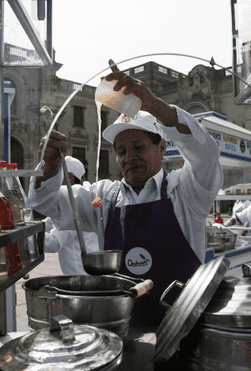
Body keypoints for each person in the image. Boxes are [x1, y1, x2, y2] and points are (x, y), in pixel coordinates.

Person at [28, 61, 223, 326]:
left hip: (183, 331)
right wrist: (49, 167)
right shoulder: (104, 198)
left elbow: (207, 154)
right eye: (121, 151)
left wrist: (155, 106)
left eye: (138, 146)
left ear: (162, 147)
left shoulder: (186, 192)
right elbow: (46, 202)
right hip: (120, 331)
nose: (129, 157)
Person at [43, 156, 100, 275]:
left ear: (69, 177)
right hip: (88, 272)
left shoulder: (73, 204)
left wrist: (21, 238)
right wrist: (28, 227)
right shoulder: (77, 200)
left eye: (56, 176)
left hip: (82, 276)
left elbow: (54, 243)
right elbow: (48, 222)